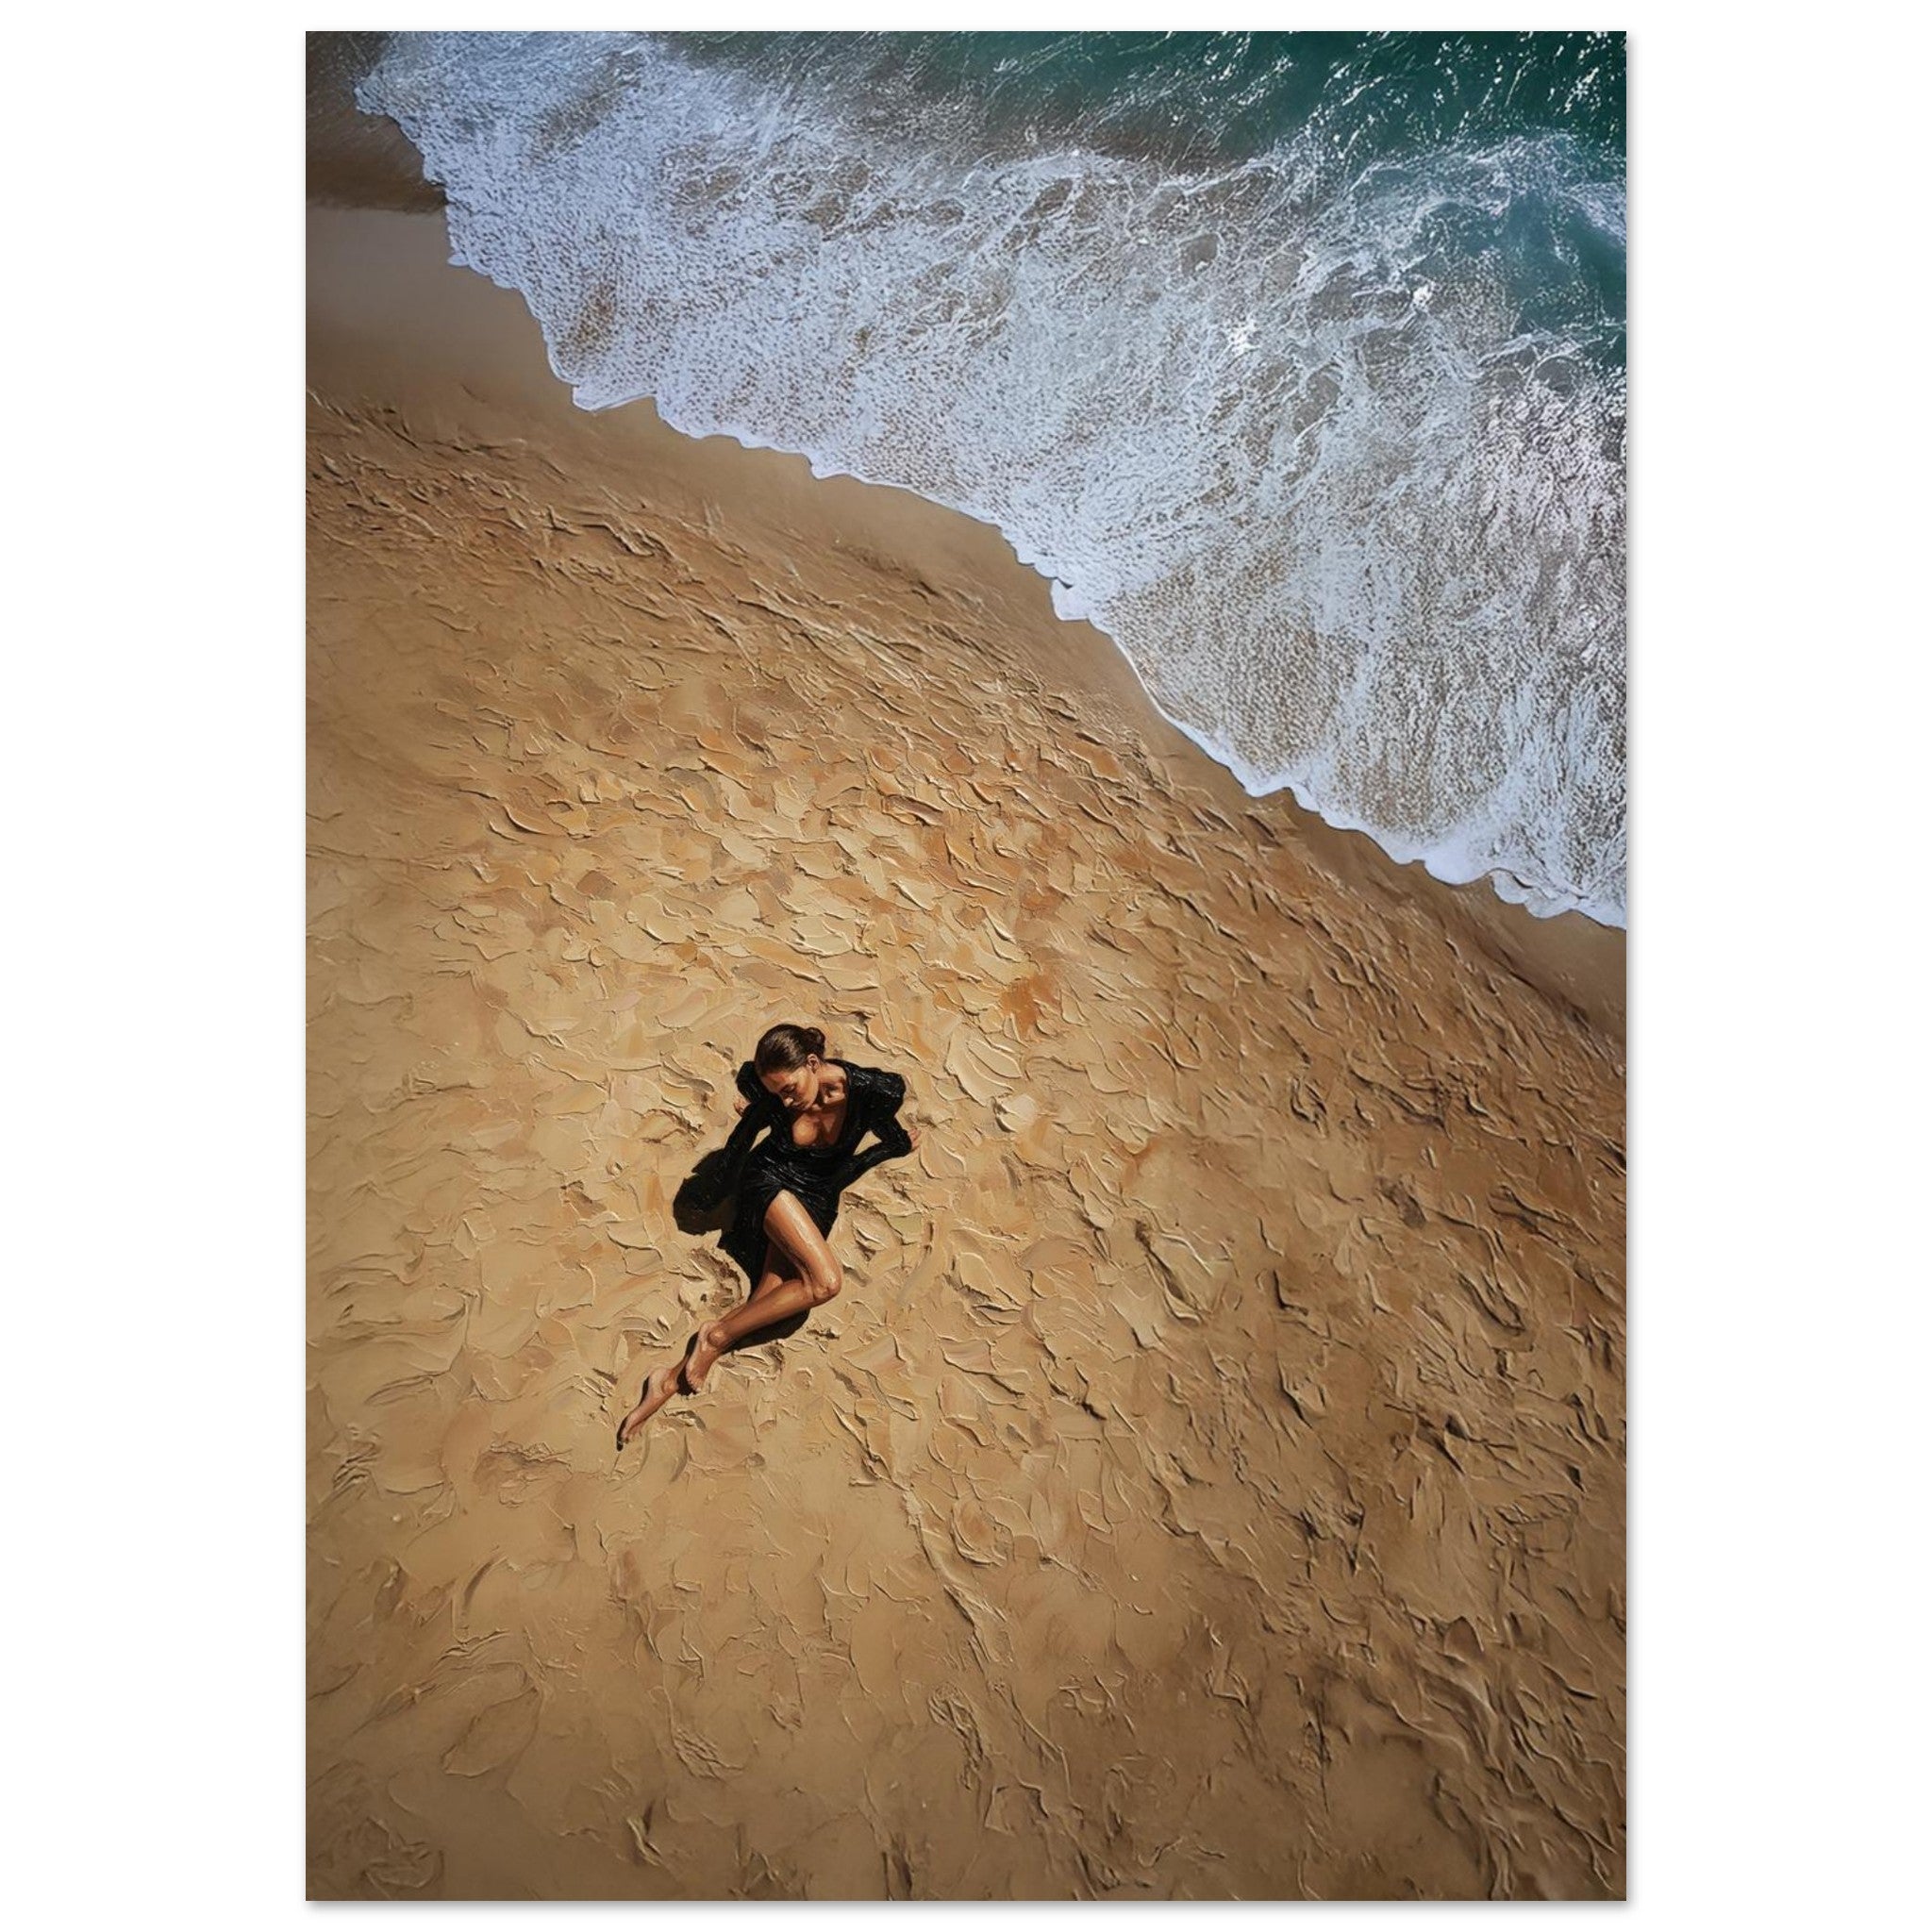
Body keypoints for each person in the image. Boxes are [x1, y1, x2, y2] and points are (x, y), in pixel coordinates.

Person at [616, 1022, 921, 1447]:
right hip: (771, 1183)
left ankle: (664, 1381)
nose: (787, 1098)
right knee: (825, 1282)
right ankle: (714, 1336)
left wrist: (892, 1148)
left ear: (814, 1063)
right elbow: (741, 1144)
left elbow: (885, 1128)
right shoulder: (775, 1100)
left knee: (765, 1304)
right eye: (777, 1093)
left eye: (791, 1086)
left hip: (816, 1197)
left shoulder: (875, 1089)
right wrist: (712, 1192)